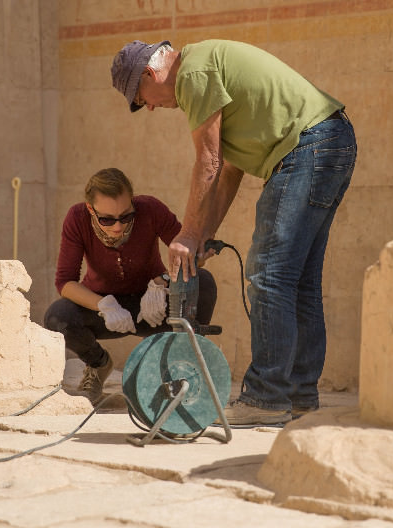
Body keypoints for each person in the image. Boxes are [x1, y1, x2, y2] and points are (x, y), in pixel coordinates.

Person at [109, 39, 356, 426]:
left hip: (307, 147)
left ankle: (266, 398)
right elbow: (226, 169)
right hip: (330, 141)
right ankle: (298, 395)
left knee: (269, 274)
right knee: (298, 281)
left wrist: (187, 234)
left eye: (142, 99)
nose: (151, 108)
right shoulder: (205, 68)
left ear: (149, 74)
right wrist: (203, 233)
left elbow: (207, 160)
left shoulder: (192, 73)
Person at [43, 167, 217, 404]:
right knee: (57, 317)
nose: (118, 227)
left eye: (126, 217)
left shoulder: (150, 209)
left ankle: (178, 365)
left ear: (133, 203)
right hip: (106, 311)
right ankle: (98, 365)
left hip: (154, 306)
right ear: (91, 209)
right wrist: (104, 305)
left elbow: (191, 253)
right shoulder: (77, 218)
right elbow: (65, 282)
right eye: (106, 219)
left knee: (203, 282)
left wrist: (162, 282)